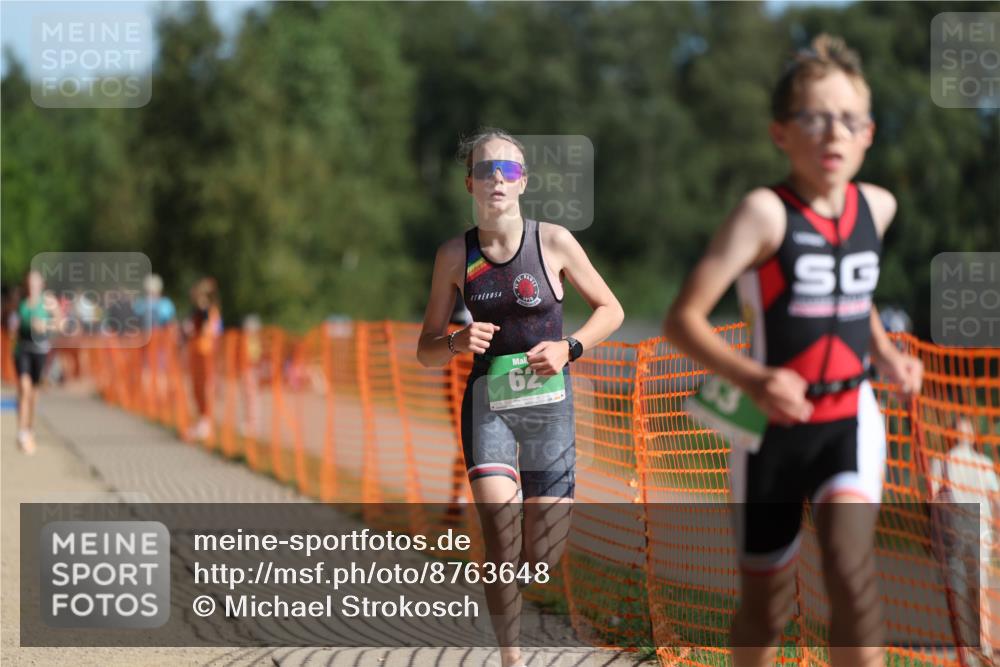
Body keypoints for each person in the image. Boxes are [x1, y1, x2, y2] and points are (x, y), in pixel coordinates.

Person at [663, 35, 923, 667]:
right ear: (781, 132)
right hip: (769, 432)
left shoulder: (879, 208)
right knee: (767, 605)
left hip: (849, 420)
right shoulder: (763, 214)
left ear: (869, 133)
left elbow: (851, 293)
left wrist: (884, 356)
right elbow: (682, 320)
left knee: (851, 571)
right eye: (814, 116)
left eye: (849, 119)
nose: (833, 132)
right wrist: (752, 379)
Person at [417, 129, 623, 667]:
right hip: (489, 403)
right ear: (470, 183)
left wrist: (569, 347)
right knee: (501, 540)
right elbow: (426, 350)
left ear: (523, 181)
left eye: (508, 171)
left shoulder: (551, 241)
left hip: (548, 408)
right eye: (486, 171)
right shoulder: (452, 255)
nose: (497, 180)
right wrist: (456, 343)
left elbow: (611, 309)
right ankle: (512, 658)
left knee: (540, 555)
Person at [929, 416, 999, 659]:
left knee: (958, 590)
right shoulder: (984, 463)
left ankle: (966, 649)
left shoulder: (942, 461)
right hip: (980, 529)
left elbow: (933, 498)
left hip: (955, 530)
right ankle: (985, 647)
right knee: (979, 590)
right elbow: (996, 499)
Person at [12, 270, 61, 454]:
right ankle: (21, 431)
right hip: (22, 349)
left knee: (33, 392)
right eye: (30, 281)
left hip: (40, 351)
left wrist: (44, 325)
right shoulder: (21, 301)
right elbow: (13, 323)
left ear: (42, 283)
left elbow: (60, 324)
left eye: (36, 282)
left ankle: (30, 429)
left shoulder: (48, 301)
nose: (32, 285)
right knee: (23, 388)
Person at [185, 277, 221, 442]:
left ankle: (206, 421)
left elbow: (211, 330)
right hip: (196, 353)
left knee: (205, 387)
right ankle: (201, 420)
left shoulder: (209, 311)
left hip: (206, 353)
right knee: (196, 387)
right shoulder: (196, 313)